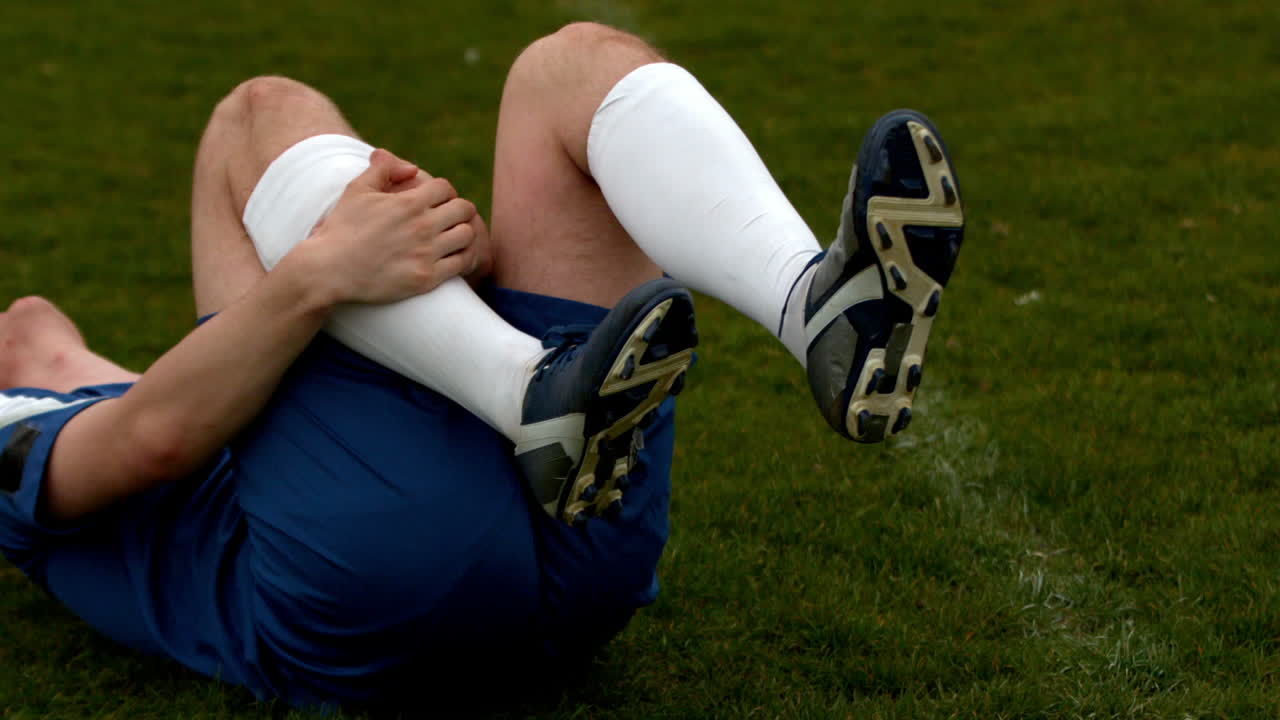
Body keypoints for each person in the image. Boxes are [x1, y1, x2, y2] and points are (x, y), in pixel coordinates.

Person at [0, 22, 965, 710]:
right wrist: (324, 268)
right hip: (372, 588)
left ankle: (820, 313)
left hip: (558, 529)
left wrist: (379, 270)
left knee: (571, 69)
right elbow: (156, 435)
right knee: (256, 119)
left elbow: (58, 344)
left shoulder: (48, 374)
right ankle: (525, 390)